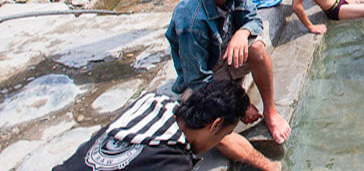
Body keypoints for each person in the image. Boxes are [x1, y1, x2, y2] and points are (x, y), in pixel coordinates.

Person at [165, 0, 290, 170]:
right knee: (203, 123)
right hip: (203, 76)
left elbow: (253, 19)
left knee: (258, 49)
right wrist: (241, 107)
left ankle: (270, 112)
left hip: (228, 57)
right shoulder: (191, 21)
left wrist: (242, 33)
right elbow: (198, 80)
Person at [54, 80, 254, 171]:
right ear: (215, 125)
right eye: (223, 135)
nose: (219, 141)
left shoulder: (151, 102)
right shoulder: (173, 162)